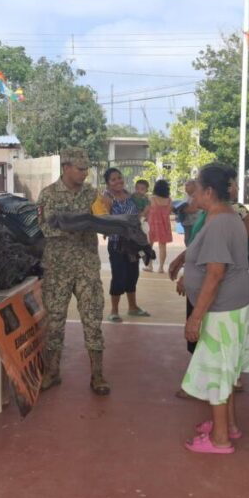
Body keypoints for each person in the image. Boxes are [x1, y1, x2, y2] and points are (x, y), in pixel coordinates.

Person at [179, 163, 249, 454]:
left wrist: (195, 318)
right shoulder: (224, 216)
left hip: (223, 308)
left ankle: (220, 439)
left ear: (208, 191)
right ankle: (229, 425)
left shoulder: (220, 221)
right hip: (232, 305)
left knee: (218, 370)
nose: (192, 193)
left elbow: (215, 273)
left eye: (196, 188)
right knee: (227, 368)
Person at [37, 147, 110, 395]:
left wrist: (105, 217)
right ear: (66, 167)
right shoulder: (48, 195)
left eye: (86, 168)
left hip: (87, 267)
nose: (84, 173)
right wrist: (83, 222)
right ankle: (52, 371)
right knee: (55, 321)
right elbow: (47, 229)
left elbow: (104, 224)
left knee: (93, 319)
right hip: (57, 269)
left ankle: (97, 375)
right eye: (80, 169)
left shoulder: (93, 195)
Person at [100, 168, 150, 323]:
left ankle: (133, 307)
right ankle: (114, 311)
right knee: (118, 276)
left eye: (119, 178)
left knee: (132, 275)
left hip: (134, 244)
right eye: (113, 179)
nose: (118, 181)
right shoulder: (107, 197)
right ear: (108, 183)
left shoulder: (131, 196)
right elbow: (105, 219)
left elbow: (142, 211)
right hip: (117, 244)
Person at [145, 180, 173, 273]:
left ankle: (150, 266)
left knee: (149, 245)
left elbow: (146, 211)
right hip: (165, 225)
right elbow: (169, 212)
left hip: (152, 225)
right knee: (162, 246)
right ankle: (161, 267)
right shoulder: (169, 200)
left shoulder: (151, 198)